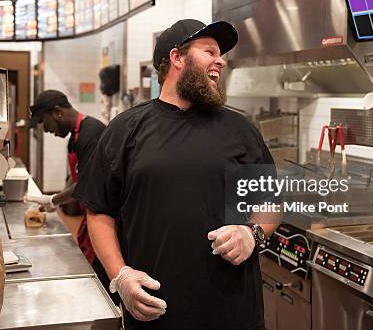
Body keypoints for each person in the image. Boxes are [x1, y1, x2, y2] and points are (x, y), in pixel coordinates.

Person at [75, 19, 280, 330]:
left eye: (221, 54)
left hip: (234, 313)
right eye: (210, 51)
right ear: (177, 58)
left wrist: (251, 233)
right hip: (155, 312)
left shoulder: (240, 129)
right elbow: (99, 211)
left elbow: (271, 202)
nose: (221, 60)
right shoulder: (126, 129)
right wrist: (120, 276)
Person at [26, 90, 118, 303]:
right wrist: (57, 197)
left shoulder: (92, 134)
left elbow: (85, 185)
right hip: (91, 213)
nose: (46, 130)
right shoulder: (75, 137)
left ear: (57, 113)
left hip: (107, 219)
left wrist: (53, 200)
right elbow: (76, 175)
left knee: (102, 282)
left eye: (43, 122)